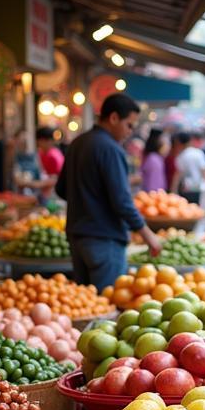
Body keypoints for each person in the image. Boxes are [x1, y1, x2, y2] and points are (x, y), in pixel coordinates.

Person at [58, 92, 161, 291]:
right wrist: (148, 235)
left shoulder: (77, 143)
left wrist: (86, 201)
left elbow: (61, 189)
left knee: (85, 303)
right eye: (129, 125)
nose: (130, 131)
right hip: (104, 239)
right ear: (113, 118)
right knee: (107, 304)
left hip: (77, 237)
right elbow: (121, 201)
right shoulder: (111, 149)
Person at [170, 130, 205, 205]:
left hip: (186, 189)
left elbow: (178, 175)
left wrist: (173, 191)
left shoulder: (180, 156)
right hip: (199, 188)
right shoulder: (198, 153)